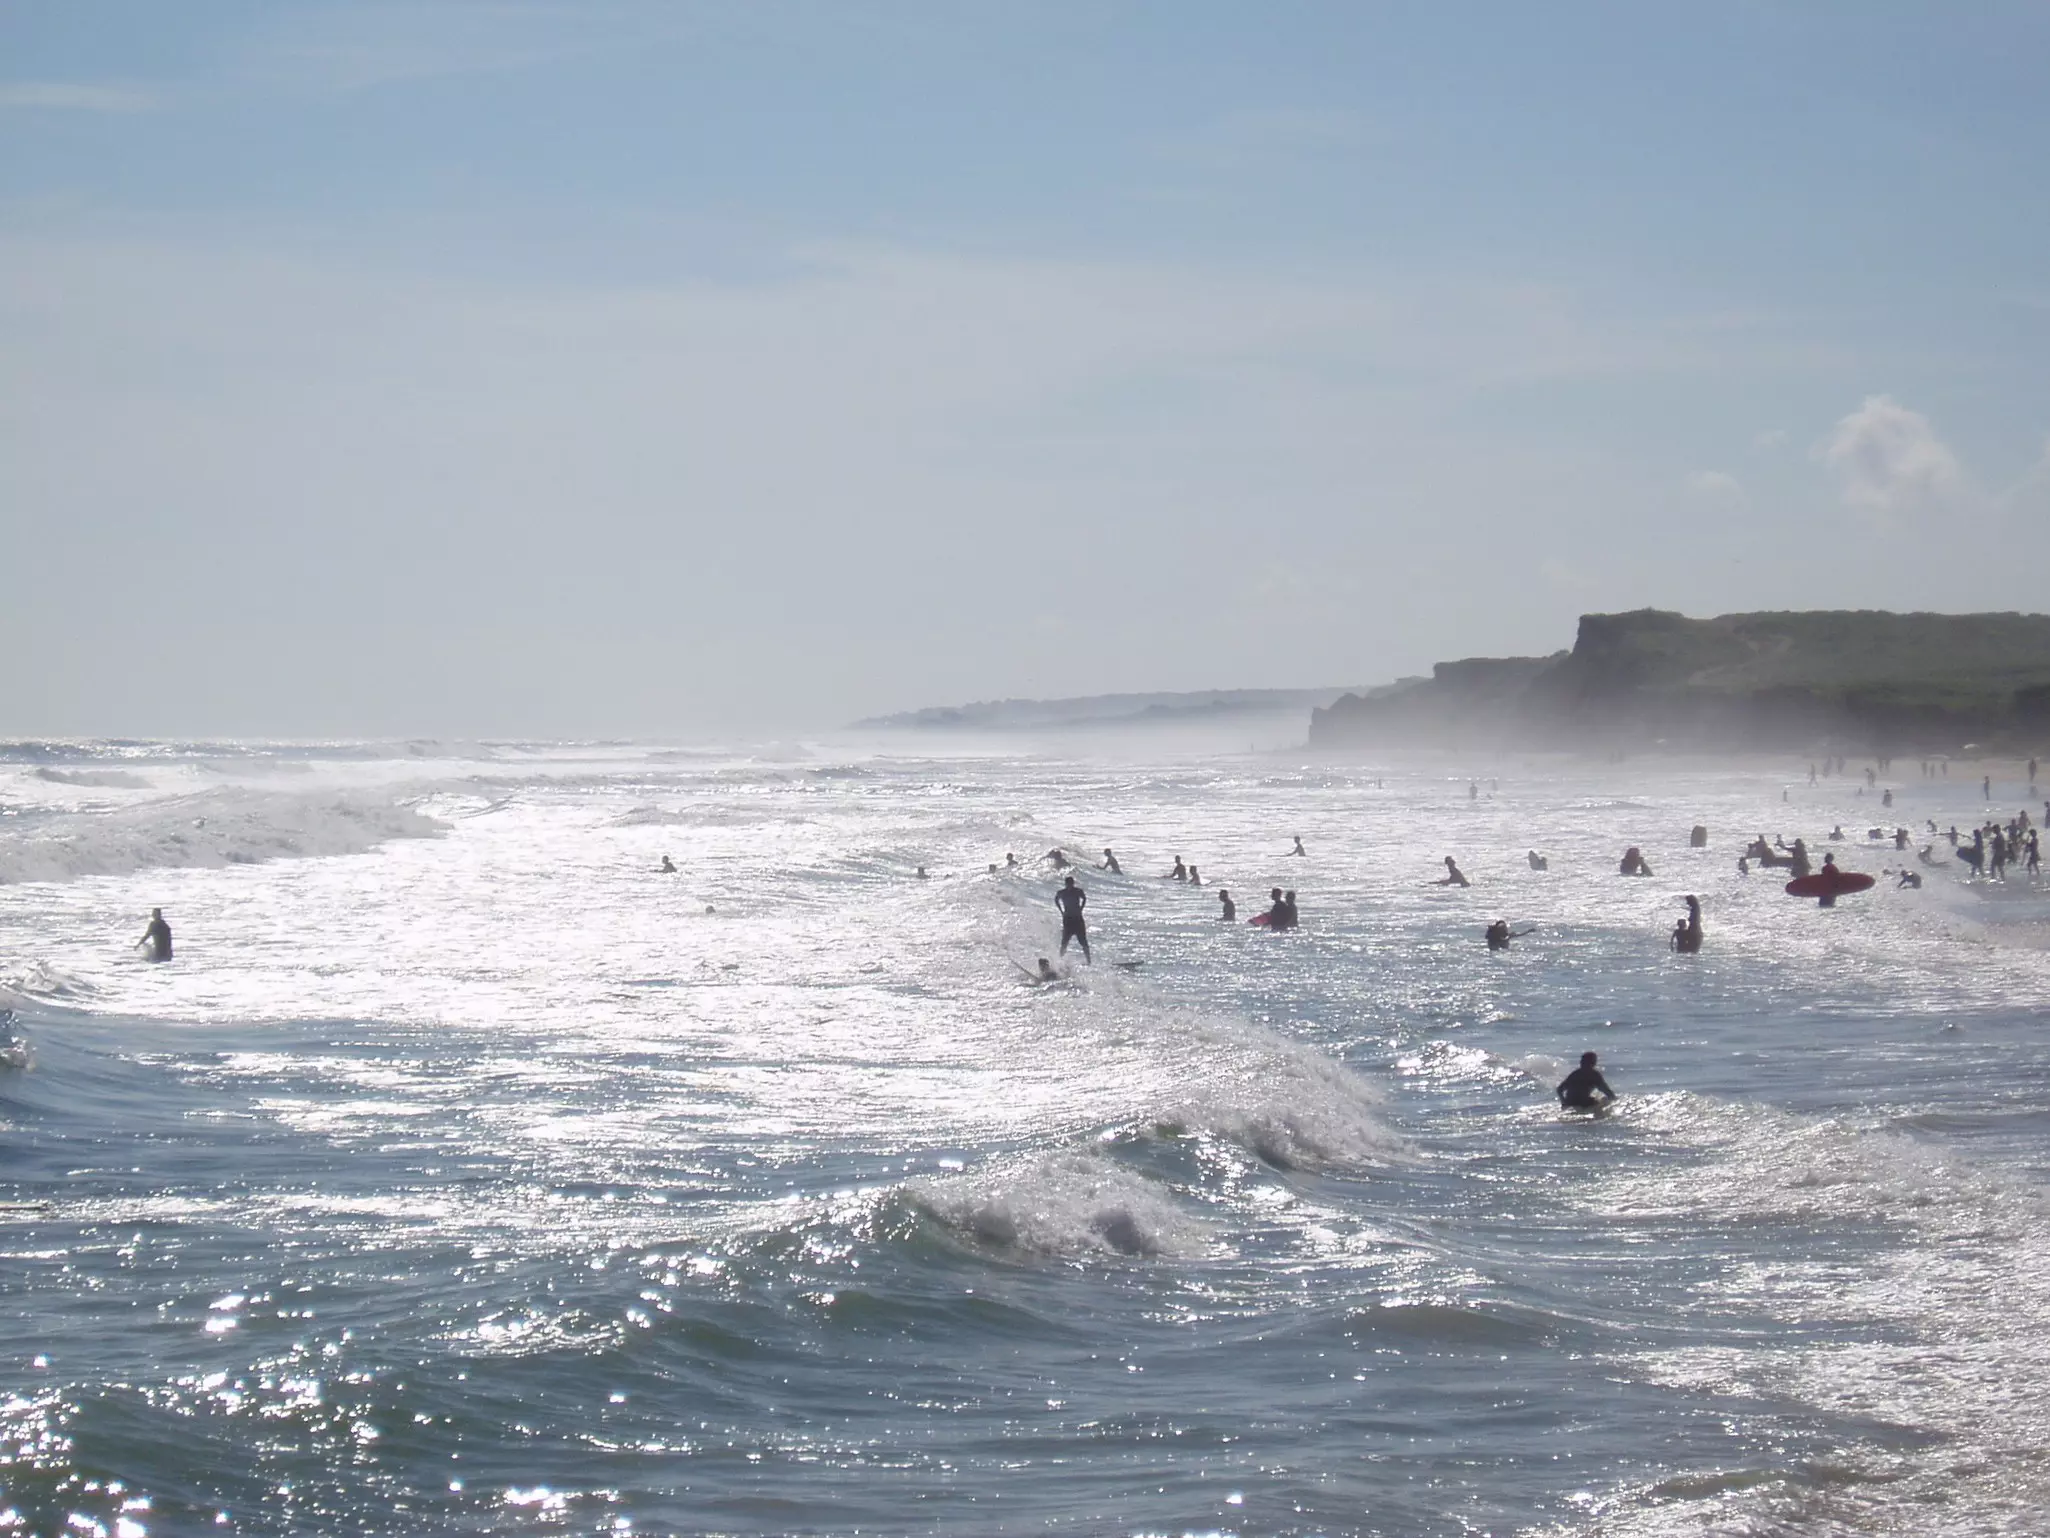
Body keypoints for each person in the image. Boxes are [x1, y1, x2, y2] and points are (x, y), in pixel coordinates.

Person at [1054, 876, 1090, 962]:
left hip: (1078, 919)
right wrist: (1061, 911)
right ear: (1065, 884)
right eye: (1068, 884)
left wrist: (1081, 908)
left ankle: (1088, 961)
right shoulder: (1062, 892)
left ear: (1073, 883)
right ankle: (1060, 960)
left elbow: (1084, 898)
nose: (1070, 886)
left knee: (1083, 942)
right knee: (1064, 942)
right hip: (1068, 919)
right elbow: (1056, 900)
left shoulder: (1078, 891)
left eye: (1071, 884)